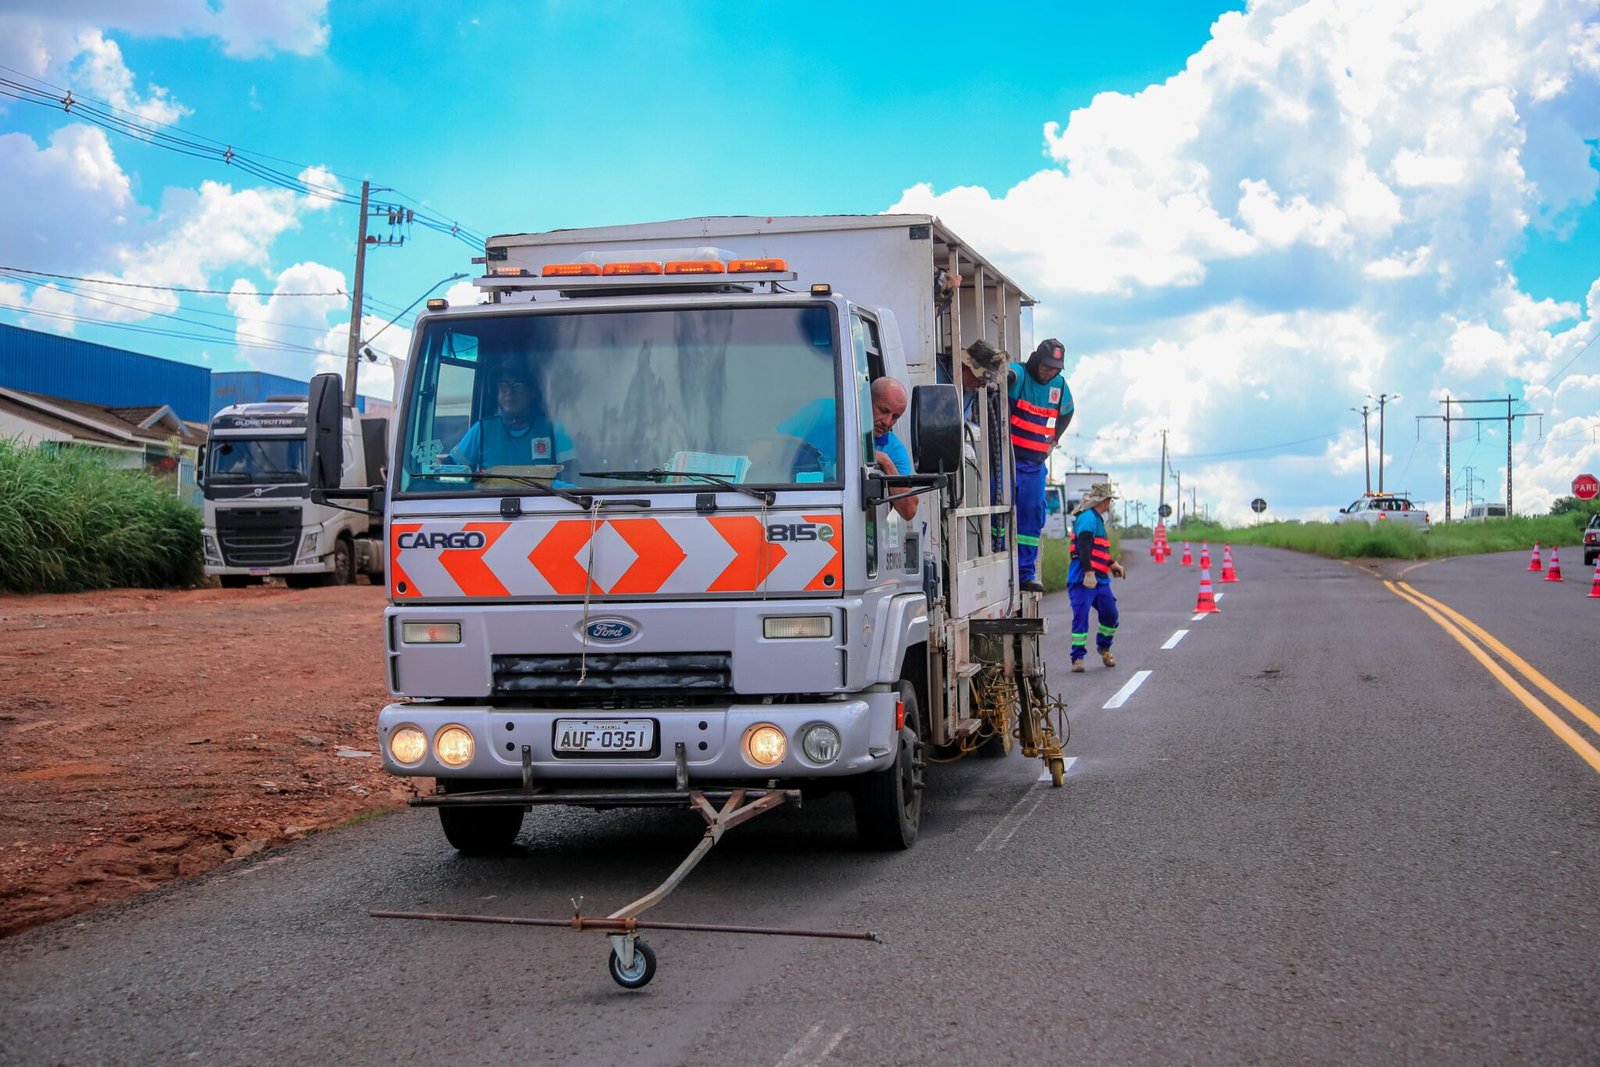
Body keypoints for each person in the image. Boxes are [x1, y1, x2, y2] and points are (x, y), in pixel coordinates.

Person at [775, 377, 917, 520]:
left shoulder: (893, 449)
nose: (887, 422)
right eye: (883, 410)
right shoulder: (823, 412)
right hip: (781, 507)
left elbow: (909, 511)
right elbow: (774, 446)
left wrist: (886, 463)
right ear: (866, 400)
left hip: (849, 524)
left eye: (895, 417)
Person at [1007, 338, 1074, 591]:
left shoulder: (1059, 385)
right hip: (1007, 459)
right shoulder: (1021, 374)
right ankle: (1001, 560)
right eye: (1047, 366)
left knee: (1033, 512)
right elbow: (1008, 374)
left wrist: (1055, 438)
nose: (1050, 372)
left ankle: (1025, 572)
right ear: (1037, 360)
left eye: (1055, 368)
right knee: (1000, 508)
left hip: (1034, 464)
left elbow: (1068, 411)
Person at [451, 362, 576, 474]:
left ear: (532, 392)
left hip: (548, 500)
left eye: (518, 385)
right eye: (503, 385)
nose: (509, 392)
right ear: (497, 393)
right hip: (491, 500)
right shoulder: (482, 430)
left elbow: (571, 476)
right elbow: (449, 468)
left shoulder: (553, 428)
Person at [1068, 481, 1125, 673]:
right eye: (1110, 499)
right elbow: (1083, 546)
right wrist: (1088, 572)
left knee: (1111, 614)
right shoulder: (1087, 518)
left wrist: (1111, 564)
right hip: (1083, 578)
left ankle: (1104, 647)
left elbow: (1097, 549)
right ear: (1105, 500)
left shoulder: (1097, 519)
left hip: (1100, 578)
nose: (1110, 503)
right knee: (1081, 617)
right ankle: (1078, 658)